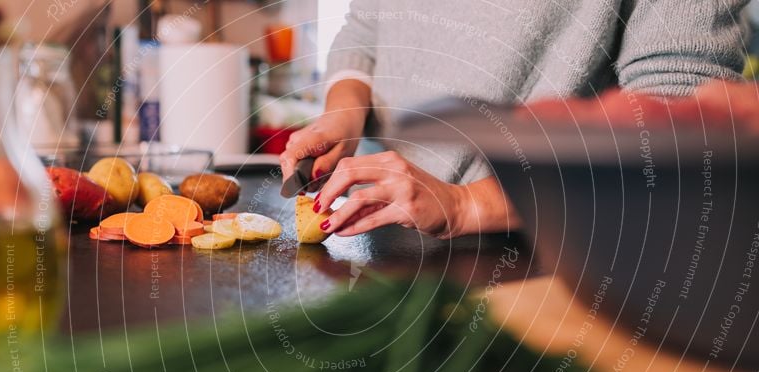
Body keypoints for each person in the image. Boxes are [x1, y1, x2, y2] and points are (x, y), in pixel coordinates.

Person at [280, 0, 751, 239]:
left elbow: (679, 117)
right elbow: (365, 26)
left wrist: (466, 205)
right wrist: (341, 115)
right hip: (390, 239)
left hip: (552, 255)